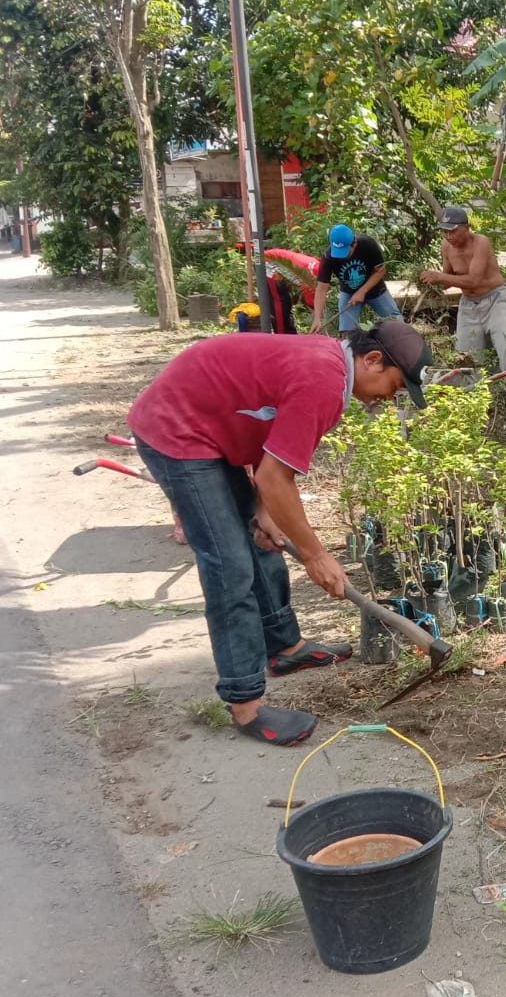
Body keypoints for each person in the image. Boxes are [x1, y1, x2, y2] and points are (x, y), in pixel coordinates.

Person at [126, 319, 434, 747]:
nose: (391, 397)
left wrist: (263, 511)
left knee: (260, 540)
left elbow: (268, 449)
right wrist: (316, 555)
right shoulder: (325, 382)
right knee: (230, 566)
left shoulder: (334, 371)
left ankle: (285, 648)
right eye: (396, 385)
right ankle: (245, 704)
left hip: (215, 429)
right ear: (374, 359)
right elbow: (276, 477)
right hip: (178, 430)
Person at [419, 205, 506, 376]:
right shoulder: (446, 246)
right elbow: (447, 279)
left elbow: (474, 281)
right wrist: (427, 282)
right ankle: (475, 396)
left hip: (495, 300)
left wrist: (439, 277)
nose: (448, 236)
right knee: (466, 355)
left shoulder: (481, 242)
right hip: (468, 304)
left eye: (452, 231)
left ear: (467, 228)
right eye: (444, 232)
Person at [311, 224, 403, 335]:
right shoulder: (328, 256)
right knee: (346, 333)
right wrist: (317, 319)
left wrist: (362, 291)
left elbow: (381, 271)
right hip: (349, 293)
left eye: (345, 251)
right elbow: (321, 288)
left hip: (376, 290)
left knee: (397, 324)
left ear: (354, 243)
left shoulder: (368, 244)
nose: (342, 256)